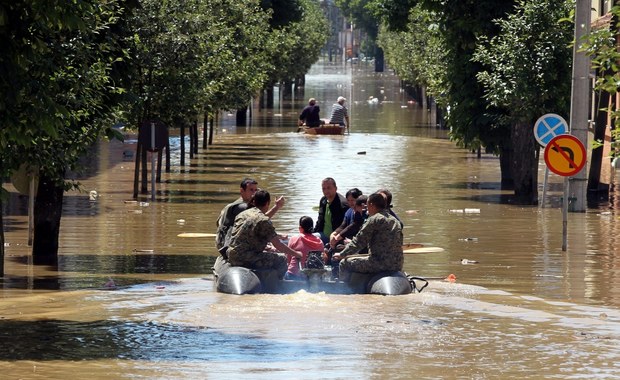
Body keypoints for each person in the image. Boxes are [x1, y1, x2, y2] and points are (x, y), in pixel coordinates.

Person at [226, 190, 302, 279]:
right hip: (245, 258)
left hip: (232, 255)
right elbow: (278, 245)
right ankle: (278, 284)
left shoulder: (243, 214)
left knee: (268, 251)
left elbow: (259, 220)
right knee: (282, 259)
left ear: (254, 201)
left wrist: (277, 207)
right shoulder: (263, 220)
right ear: (267, 203)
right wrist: (296, 254)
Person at [333, 192, 404, 282]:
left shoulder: (374, 219)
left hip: (379, 263)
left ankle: (343, 290)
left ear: (371, 205)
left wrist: (342, 254)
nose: (366, 210)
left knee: (344, 263)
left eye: (367, 205)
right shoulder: (395, 221)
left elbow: (359, 241)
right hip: (397, 264)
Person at [215, 178, 284, 251]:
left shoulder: (239, 203)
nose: (254, 193)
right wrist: (277, 207)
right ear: (242, 191)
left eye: (255, 190)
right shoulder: (242, 207)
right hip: (225, 243)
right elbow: (262, 220)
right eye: (251, 190)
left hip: (225, 240)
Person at [285, 216, 325, 280]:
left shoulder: (294, 238)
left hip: (294, 275)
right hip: (313, 277)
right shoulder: (319, 242)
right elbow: (322, 259)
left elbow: (288, 259)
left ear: (300, 228)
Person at [314, 177, 349, 245]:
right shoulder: (323, 200)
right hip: (322, 234)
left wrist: (336, 237)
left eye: (329, 188)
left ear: (335, 188)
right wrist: (311, 233)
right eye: (324, 188)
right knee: (302, 238)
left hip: (335, 238)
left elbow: (345, 225)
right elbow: (319, 221)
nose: (326, 191)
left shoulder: (343, 204)